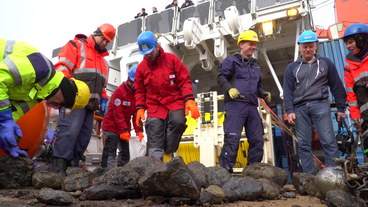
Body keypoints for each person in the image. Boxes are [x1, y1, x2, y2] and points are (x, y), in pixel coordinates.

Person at [0, 38, 90, 158]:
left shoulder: (36, 97)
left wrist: (8, 141)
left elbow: (12, 114)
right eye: (63, 104)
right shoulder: (41, 66)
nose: (57, 107)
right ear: (67, 92)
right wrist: (5, 121)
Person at [52, 23, 116, 176]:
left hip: (90, 106)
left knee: (84, 137)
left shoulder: (104, 62)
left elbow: (102, 86)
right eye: (103, 38)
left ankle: (73, 169)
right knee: (68, 132)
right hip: (73, 102)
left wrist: (104, 99)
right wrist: (68, 91)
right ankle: (59, 170)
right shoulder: (75, 46)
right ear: (96, 33)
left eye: (108, 41)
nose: (105, 43)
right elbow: (61, 69)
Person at [283, 30, 347, 175]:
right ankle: (309, 178)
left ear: (316, 46)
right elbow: (287, 91)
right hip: (299, 108)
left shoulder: (326, 63)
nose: (308, 49)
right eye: (305, 46)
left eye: (311, 46)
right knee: (304, 145)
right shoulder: (291, 68)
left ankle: (334, 176)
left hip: (321, 105)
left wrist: (341, 108)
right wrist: (290, 110)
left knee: (329, 142)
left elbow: (336, 86)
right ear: (299, 47)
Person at [135, 31, 200, 161]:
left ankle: (168, 151)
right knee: (154, 131)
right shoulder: (141, 69)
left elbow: (184, 81)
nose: (148, 55)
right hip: (154, 105)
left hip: (174, 100)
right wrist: (140, 108)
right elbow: (139, 91)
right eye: (145, 53)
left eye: (151, 51)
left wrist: (189, 100)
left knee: (178, 122)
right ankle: (155, 166)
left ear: (157, 46)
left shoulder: (172, 60)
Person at [217, 30, 271, 173]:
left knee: (257, 140)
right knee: (232, 140)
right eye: (250, 44)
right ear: (241, 44)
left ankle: (252, 172)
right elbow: (221, 77)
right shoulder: (231, 61)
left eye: (254, 45)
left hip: (252, 107)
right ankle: (224, 173)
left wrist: (263, 93)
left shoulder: (256, 66)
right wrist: (229, 89)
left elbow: (257, 87)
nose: (253, 47)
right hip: (235, 106)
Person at [101, 66, 143, 168]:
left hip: (124, 128)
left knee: (125, 153)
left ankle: (121, 175)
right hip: (111, 126)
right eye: (134, 82)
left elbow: (136, 114)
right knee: (110, 153)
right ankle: (106, 174)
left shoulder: (136, 94)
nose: (136, 85)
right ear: (129, 80)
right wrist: (124, 130)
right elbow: (118, 113)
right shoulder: (119, 93)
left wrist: (139, 130)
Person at [342, 23, 368, 157]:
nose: (348, 46)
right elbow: (351, 94)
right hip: (366, 115)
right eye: (346, 43)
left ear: (362, 39)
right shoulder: (348, 65)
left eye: (351, 42)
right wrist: (355, 115)